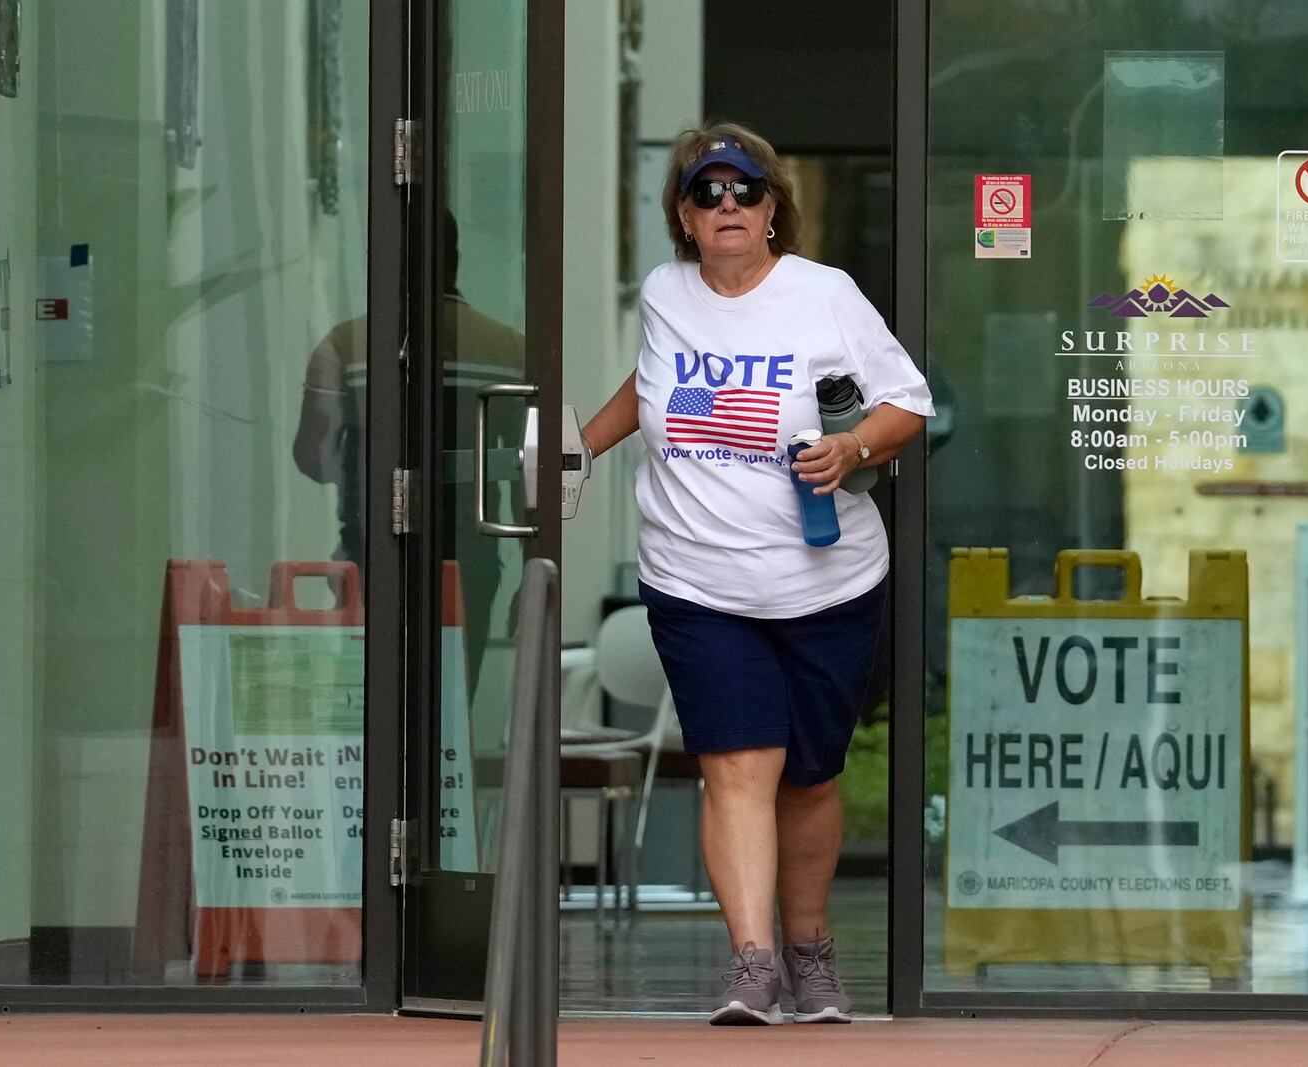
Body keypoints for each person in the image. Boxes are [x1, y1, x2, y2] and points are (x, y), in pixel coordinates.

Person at [581, 121, 932, 1025]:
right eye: (707, 193)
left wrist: (852, 444)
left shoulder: (825, 295)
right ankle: (753, 963)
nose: (727, 204)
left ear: (774, 209)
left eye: (745, 190)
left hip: (826, 580)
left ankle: (810, 951)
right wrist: (580, 446)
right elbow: (655, 379)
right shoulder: (666, 293)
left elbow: (908, 404)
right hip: (696, 583)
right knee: (739, 762)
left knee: (809, 775)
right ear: (685, 219)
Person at [293, 211, 525, 700]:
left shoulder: (345, 345)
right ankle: (446, 773)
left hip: (368, 552)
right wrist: (535, 572)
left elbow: (313, 460)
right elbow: (529, 473)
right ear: (455, 260)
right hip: (471, 560)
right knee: (452, 702)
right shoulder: (508, 348)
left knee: (367, 702)